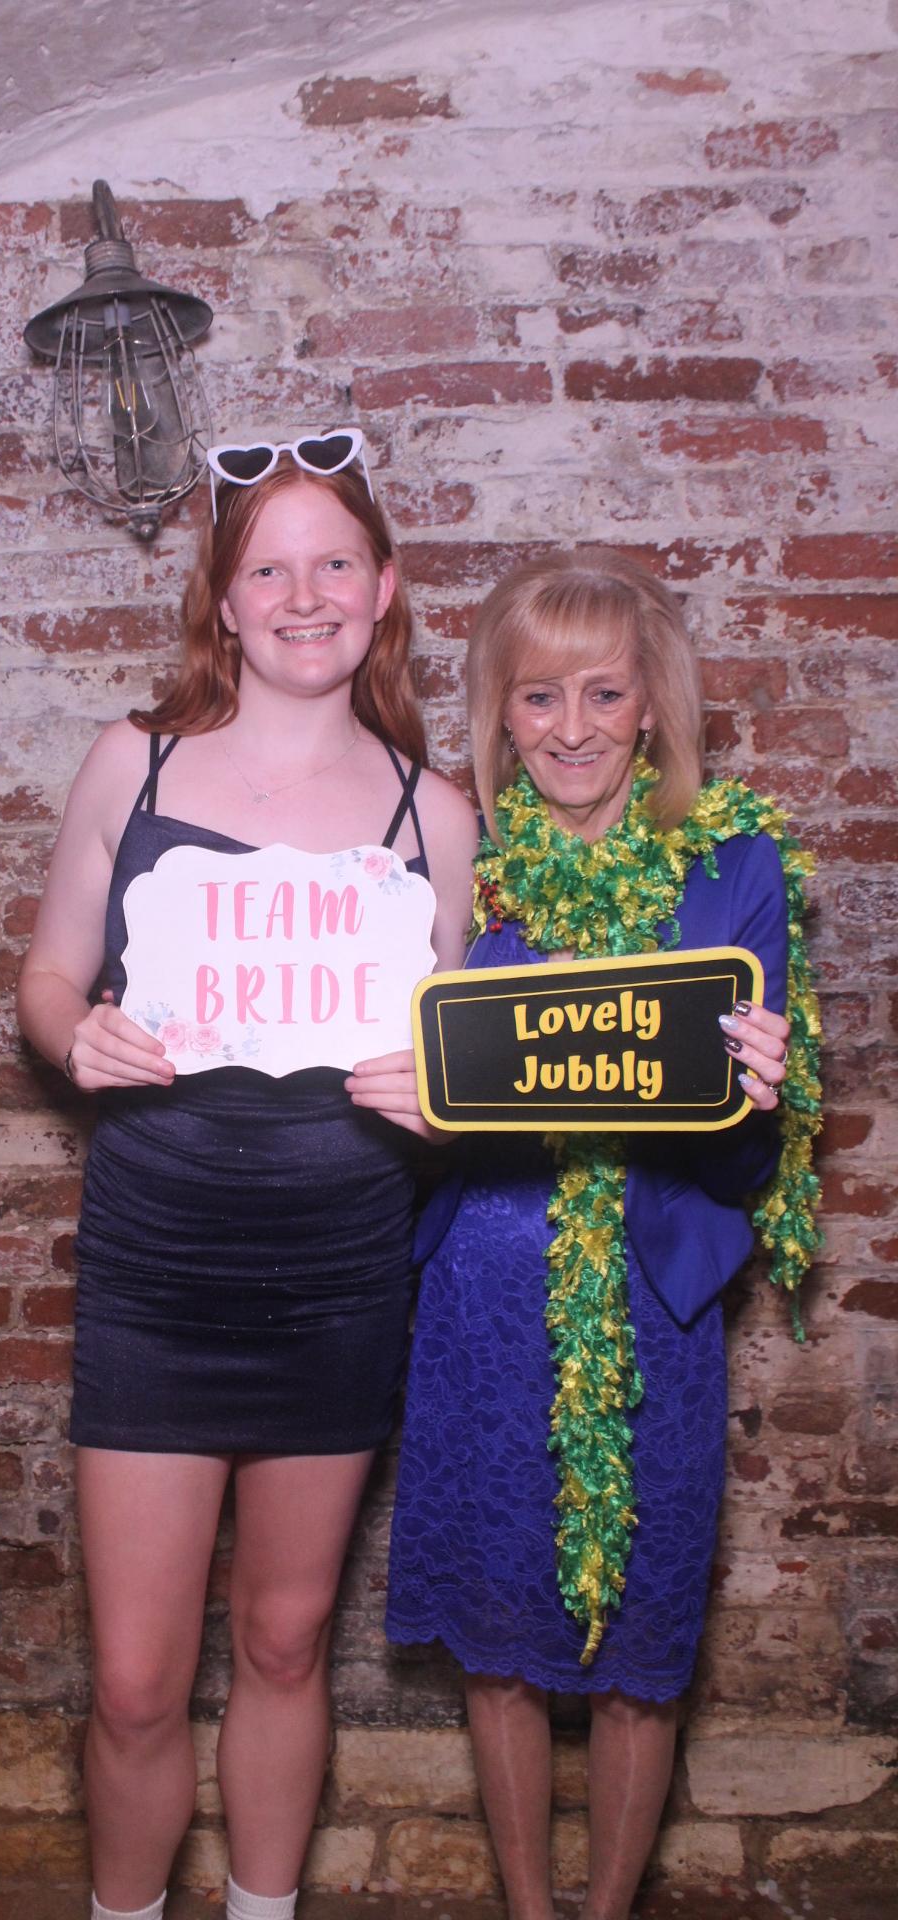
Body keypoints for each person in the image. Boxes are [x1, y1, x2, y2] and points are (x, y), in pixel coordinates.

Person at [16, 430, 478, 1920]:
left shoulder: (437, 816)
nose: (302, 593)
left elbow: (461, 1051)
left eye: (334, 561)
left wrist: (443, 1096)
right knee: (141, 1681)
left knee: (286, 1645)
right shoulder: (130, 761)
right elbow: (44, 972)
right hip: (157, 1263)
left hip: (341, 1272)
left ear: (384, 590)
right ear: (221, 599)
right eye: (266, 565)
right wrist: (70, 1035)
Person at [383, 548, 821, 1920]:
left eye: (603, 693)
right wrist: (394, 1096)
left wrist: (764, 1089)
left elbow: (745, 1157)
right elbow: (421, 1090)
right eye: (536, 698)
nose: (571, 727)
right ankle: (527, 1908)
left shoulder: (735, 869)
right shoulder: (466, 867)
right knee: (502, 1641)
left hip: (652, 1304)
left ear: (652, 708)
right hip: (480, 1299)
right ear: (497, 718)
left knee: (641, 1638)